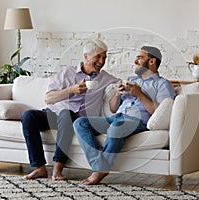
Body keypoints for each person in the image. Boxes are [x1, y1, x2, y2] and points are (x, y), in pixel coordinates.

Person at [73, 46, 176, 185]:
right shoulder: (131, 79)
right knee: (80, 123)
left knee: (116, 128)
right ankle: (100, 165)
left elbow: (162, 112)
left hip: (136, 121)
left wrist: (139, 94)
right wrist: (117, 93)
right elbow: (113, 108)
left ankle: (100, 171)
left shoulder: (163, 84)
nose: (135, 61)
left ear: (152, 61)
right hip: (116, 117)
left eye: (140, 57)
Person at [21, 39, 119, 181]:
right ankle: (39, 168)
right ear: (86, 56)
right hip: (53, 114)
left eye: (104, 57)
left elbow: (121, 83)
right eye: (98, 56)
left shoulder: (104, 78)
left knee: (66, 114)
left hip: (75, 119)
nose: (102, 61)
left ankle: (57, 168)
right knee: (28, 116)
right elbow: (48, 98)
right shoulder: (67, 73)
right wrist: (71, 90)